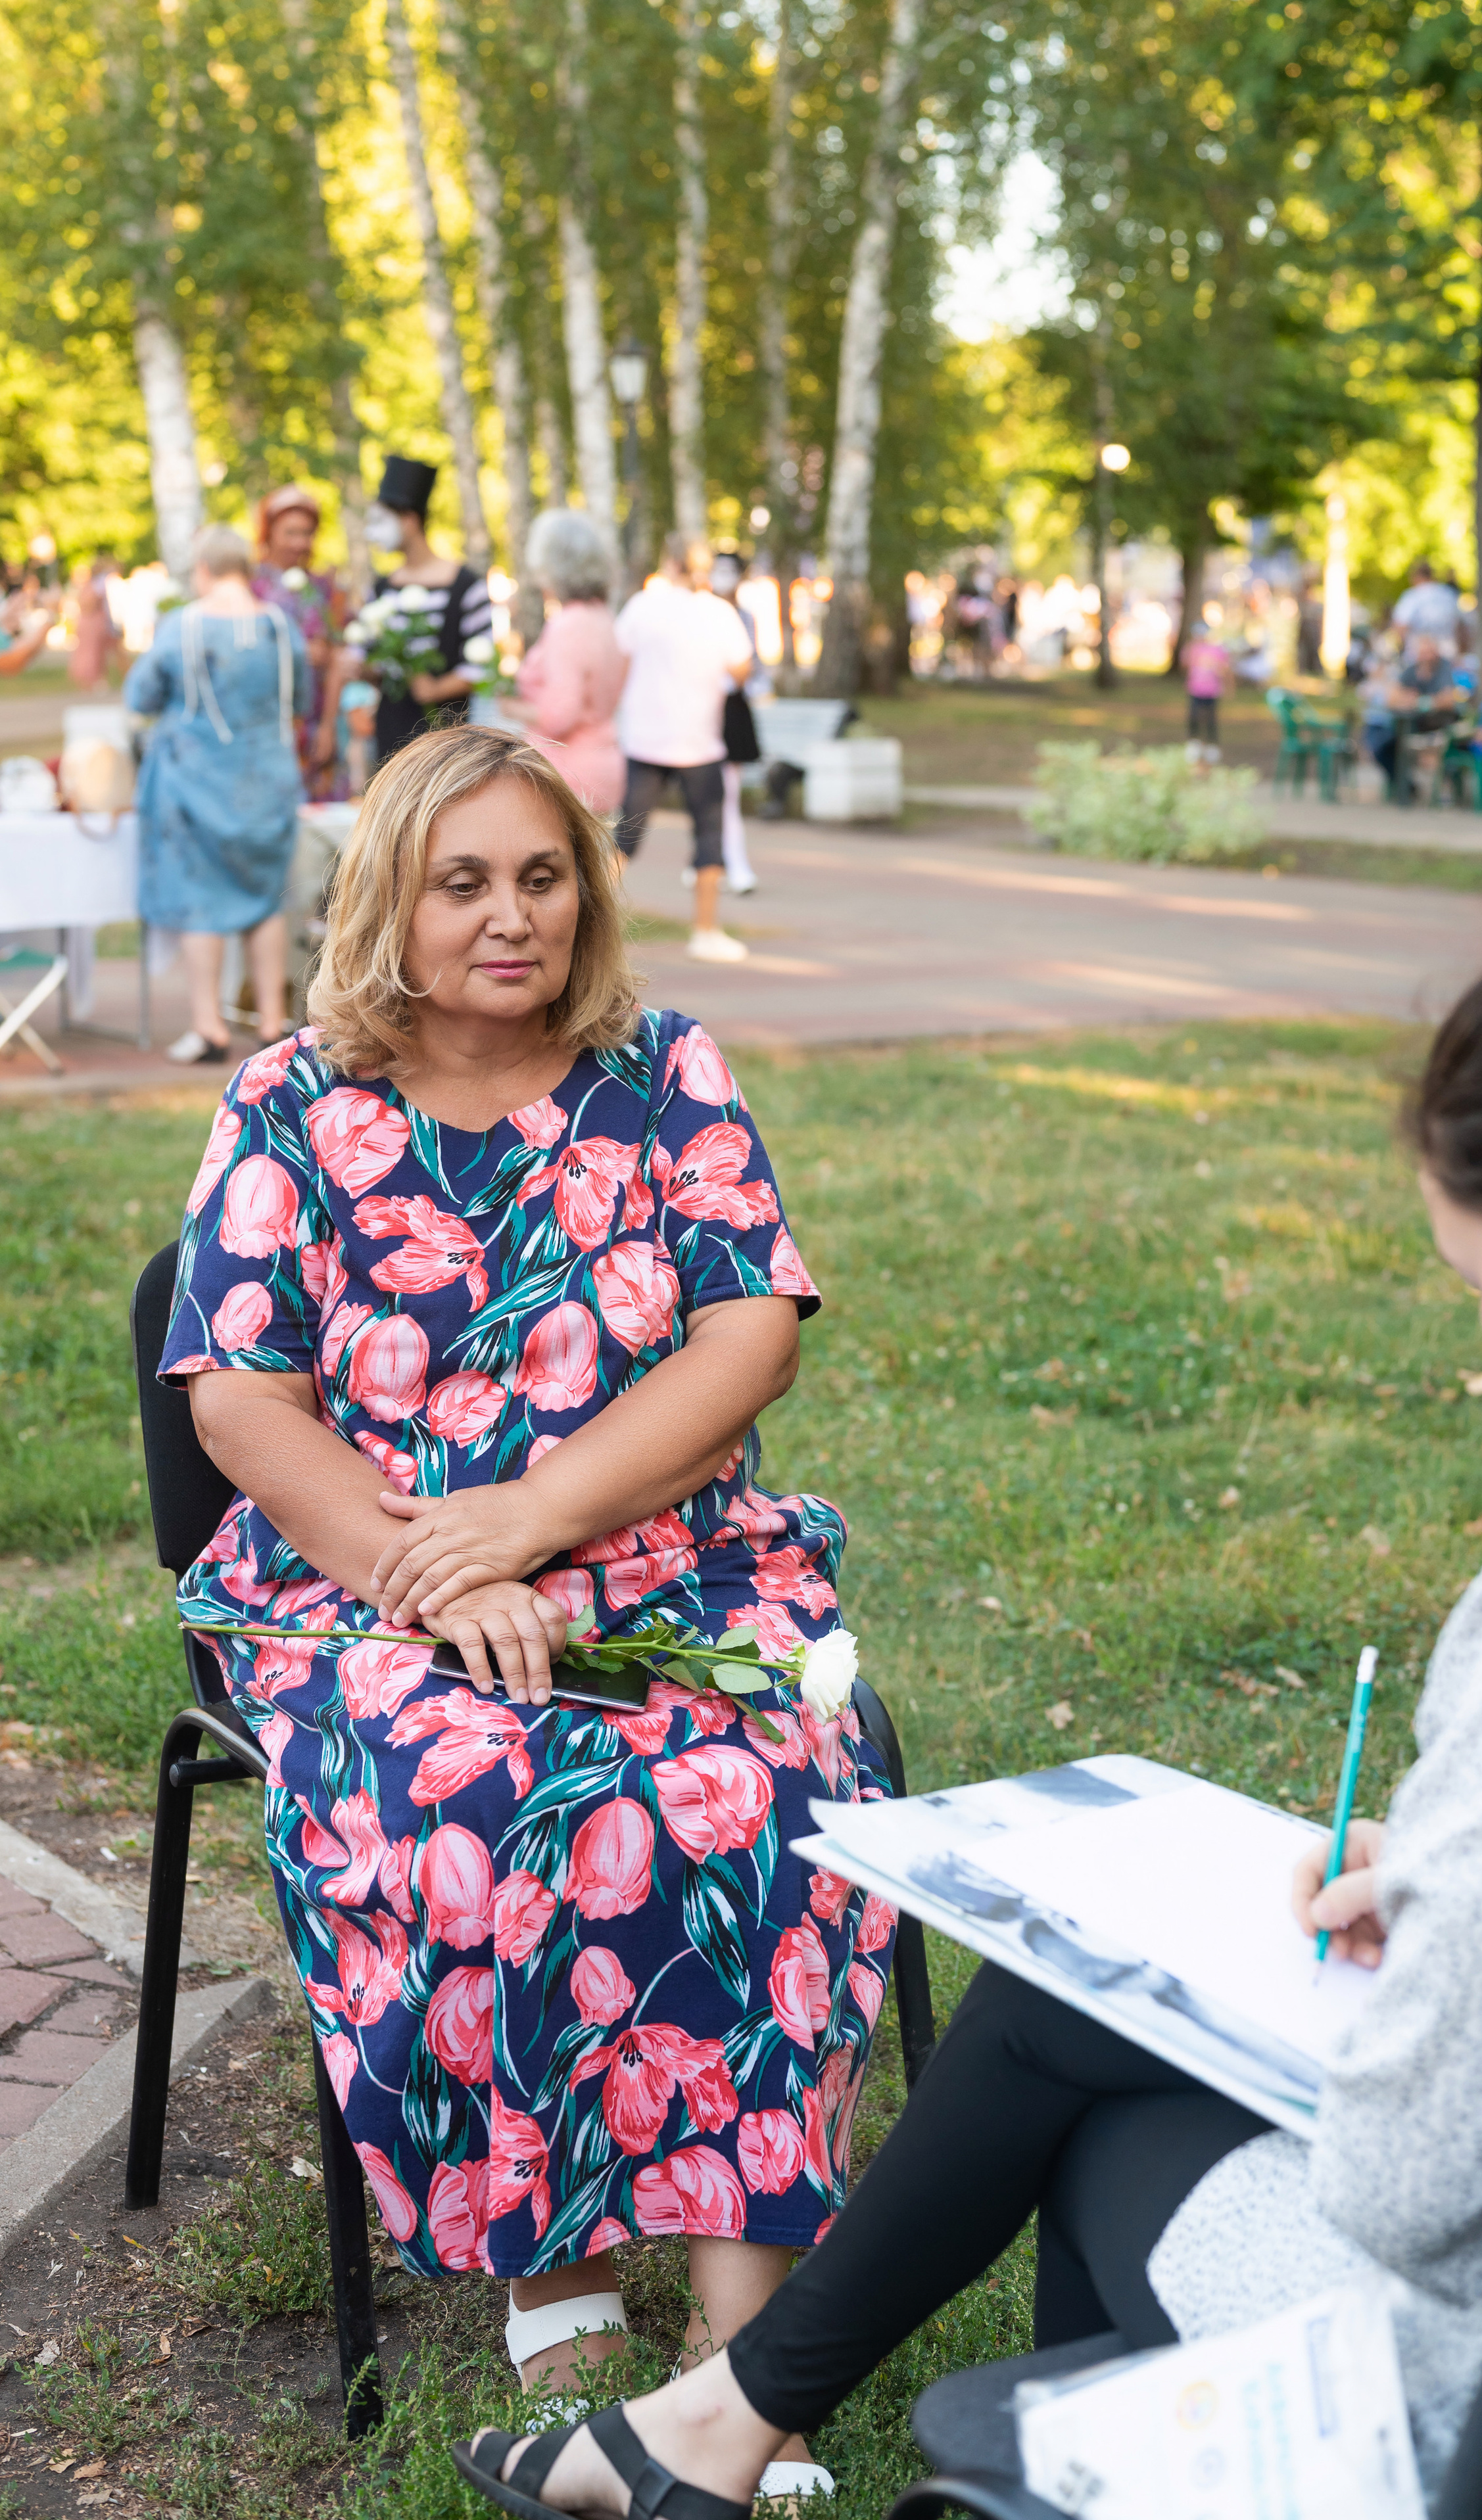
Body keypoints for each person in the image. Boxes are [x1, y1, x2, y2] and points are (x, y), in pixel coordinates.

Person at [455, 919, 1482, 2520]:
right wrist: (1478, 1879)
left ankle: (764, 2440)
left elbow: (1411, 2188)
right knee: (1061, 2005)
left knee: (1089, 2135)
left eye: (1473, 1279)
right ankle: (706, 2430)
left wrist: (1449, 1945)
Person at [160, 726, 888, 2493]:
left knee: (768, 1777)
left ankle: (739, 2333)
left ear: (587, 889)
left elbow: (750, 1330)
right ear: (388, 897)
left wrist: (535, 1521)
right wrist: (434, 1566)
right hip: (378, 1582)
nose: (512, 916)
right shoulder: (290, 1102)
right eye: (463, 880)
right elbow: (239, 1394)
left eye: (542, 876)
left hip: (665, 1564)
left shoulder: (663, 1071)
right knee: (481, 1789)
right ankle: (551, 2276)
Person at [123, 523, 310, 1064]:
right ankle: (273, 1026)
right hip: (268, 783)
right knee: (266, 899)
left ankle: (210, 1029)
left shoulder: (183, 626)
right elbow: (299, 697)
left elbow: (142, 694)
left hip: (196, 783)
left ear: (202, 571)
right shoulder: (279, 625)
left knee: (201, 902)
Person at [614, 534, 754, 964]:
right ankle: (706, 931)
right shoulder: (720, 612)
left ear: (668, 563)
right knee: (709, 838)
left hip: (647, 739)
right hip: (700, 741)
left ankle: (584, 923)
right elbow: (743, 669)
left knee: (626, 837)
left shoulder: (642, 606)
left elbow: (619, 660)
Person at [354, 454, 494, 766]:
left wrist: (435, 689)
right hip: (391, 735)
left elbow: (484, 665)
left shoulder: (466, 586)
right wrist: (362, 667)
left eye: (382, 521)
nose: (374, 534)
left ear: (410, 520)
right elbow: (367, 658)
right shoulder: (379, 589)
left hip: (448, 737)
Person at [507, 509, 627, 817]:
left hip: (566, 774)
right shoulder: (603, 619)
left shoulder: (568, 626)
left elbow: (560, 716)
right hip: (603, 760)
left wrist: (510, 707)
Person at [251, 485, 344, 799]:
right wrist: (299, 652)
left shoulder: (325, 588)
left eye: (307, 533)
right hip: (266, 726)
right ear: (269, 533)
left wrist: (329, 726)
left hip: (317, 720)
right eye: (290, 532)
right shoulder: (251, 587)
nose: (300, 543)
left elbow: (339, 658)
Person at [709, 550, 762, 895]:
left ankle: (735, 864)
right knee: (703, 793)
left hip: (731, 711)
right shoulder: (697, 614)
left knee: (727, 793)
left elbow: (747, 670)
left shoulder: (745, 617)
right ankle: (705, 858)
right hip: (698, 709)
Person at [1377, 632, 1458, 799]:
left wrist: (1422, 701)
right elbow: (1391, 698)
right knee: (1382, 744)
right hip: (1411, 724)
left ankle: (1441, 790)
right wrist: (1408, 699)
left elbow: (1449, 699)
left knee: (1435, 749)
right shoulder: (1411, 670)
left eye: (1429, 652)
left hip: (1438, 725)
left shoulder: (1444, 669)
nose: (1426, 657)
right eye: (1422, 652)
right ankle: (1405, 787)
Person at [68, 553, 123, 691]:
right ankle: (92, 681)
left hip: (91, 622)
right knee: (92, 653)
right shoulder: (97, 586)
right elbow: (89, 604)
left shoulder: (91, 586)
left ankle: (94, 681)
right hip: (94, 623)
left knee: (94, 653)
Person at [1181, 624, 1230, 764]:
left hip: (1212, 691)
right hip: (1195, 689)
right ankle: (1194, 744)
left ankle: (1212, 746)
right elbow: (1185, 665)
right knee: (1194, 716)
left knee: (1211, 718)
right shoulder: (1192, 648)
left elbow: (1225, 669)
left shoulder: (1217, 650)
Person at [1391, 559, 1460, 651]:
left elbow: (1401, 625)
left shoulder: (1412, 596)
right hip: (1448, 650)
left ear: (1416, 577)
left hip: (1419, 653)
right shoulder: (1449, 594)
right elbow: (1461, 625)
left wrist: (1400, 647)